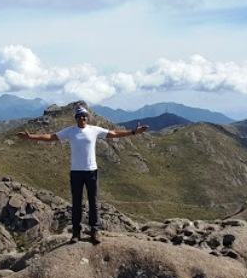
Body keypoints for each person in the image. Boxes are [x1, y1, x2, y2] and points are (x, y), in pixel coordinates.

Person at [17, 105, 149, 244]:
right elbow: (51, 137)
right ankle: (76, 233)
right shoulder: (70, 131)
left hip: (91, 171)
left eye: (84, 116)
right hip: (76, 172)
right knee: (76, 204)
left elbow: (114, 134)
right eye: (80, 116)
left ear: (87, 118)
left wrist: (134, 132)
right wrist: (30, 137)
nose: (82, 118)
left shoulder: (94, 130)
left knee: (93, 203)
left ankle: (94, 231)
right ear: (76, 118)